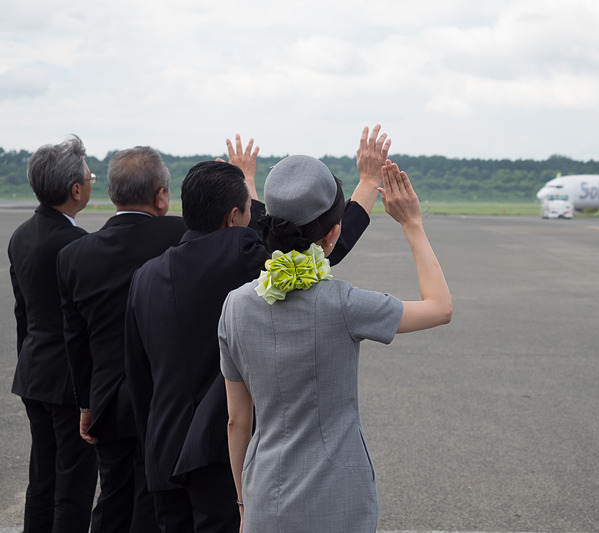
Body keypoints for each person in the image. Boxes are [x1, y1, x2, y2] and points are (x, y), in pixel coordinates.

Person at [124, 126, 390, 532]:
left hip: (162, 450)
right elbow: (312, 242)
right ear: (235, 217)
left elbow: (138, 375)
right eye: (250, 210)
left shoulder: (145, 276)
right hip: (218, 455)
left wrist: (149, 450)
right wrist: (368, 182)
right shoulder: (247, 256)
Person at [220, 156, 452, 533]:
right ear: (333, 234)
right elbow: (440, 308)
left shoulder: (235, 306)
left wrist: (244, 500)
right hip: (339, 498)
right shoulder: (344, 304)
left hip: (264, 492)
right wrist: (412, 224)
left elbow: (236, 421)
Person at [56, 145, 187, 533]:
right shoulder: (179, 236)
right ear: (161, 195)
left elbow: (75, 341)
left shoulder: (73, 255)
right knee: (155, 497)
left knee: (112, 495)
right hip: (167, 395)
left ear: (111, 195)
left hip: (108, 398)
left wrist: (86, 403)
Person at [8, 135, 98, 533]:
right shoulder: (78, 244)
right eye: (89, 175)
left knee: (41, 479)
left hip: (33, 373)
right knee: (74, 485)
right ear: (75, 190)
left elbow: (22, 313)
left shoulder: (20, 236)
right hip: (70, 383)